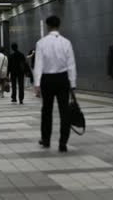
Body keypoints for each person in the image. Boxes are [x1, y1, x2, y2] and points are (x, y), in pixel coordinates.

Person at [34, 16, 77, 153]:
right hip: (63, 79)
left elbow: (38, 64)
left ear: (47, 26)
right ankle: (62, 143)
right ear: (59, 26)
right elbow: (71, 64)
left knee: (46, 110)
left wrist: (37, 84)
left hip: (47, 79)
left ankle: (46, 140)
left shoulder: (41, 43)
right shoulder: (66, 42)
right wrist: (73, 82)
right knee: (64, 111)